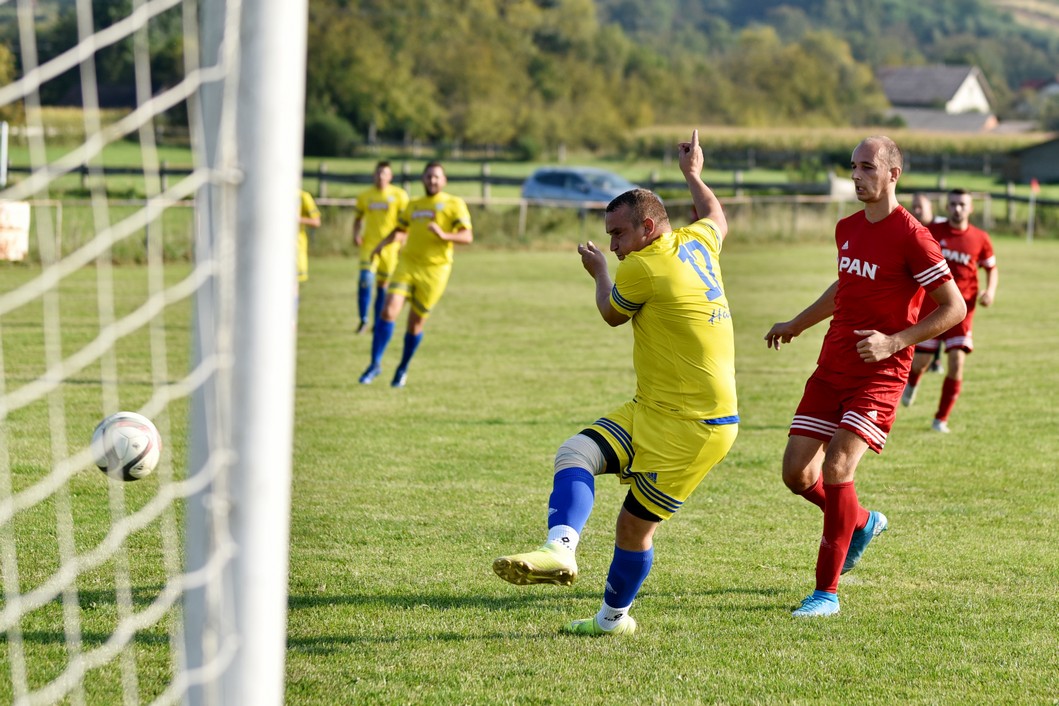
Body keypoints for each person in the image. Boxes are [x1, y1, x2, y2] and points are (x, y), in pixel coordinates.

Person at [492, 130, 739, 636]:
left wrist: (600, 272)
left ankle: (612, 619)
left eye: (618, 235)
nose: (612, 245)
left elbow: (610, 314)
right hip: (654, 406)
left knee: (634, 527)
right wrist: (694, 175)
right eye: (608, 239)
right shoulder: (695, 242)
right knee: (575, 452)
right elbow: (717, 217)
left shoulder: (645, 266)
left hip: (697, 426)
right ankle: (559, 550)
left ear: (648, 228)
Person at [764, 136, 966, 618]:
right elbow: (844, 287)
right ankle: (862, 522)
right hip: (832, 367)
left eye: (868, 167)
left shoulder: (913, 237)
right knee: (797, 473)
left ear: (893, 174)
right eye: (853, 166)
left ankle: (825, 594)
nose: (857, 175)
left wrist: (895, 342)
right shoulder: (847, 228)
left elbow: (953, 307)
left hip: (881, 374)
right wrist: (795, 323)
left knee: (837, 468)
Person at [358, 162, 473, 388]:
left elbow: (467, 236)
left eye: (437, 177)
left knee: (415, 324)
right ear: (422, 179)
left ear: (444, 180)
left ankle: (402, 368)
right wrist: (380, 245)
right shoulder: (413, 205)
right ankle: (375, 364)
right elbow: (400, 230)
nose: (432, 181)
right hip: (408, 263)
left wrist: (444, 235)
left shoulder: (454, 203)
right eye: (429, 176)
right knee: (388, 310)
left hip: (435, 270)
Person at [901, 188, 998, 433]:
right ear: (947, 206)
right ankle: (912, 381)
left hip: (963, 312)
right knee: (920, 361)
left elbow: (991, 268)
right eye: (953, 204)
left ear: (971, 208)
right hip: (932, 308)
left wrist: (990, 291)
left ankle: (940, 419)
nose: (957, 208)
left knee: (956, 362)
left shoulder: (980, 238)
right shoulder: (933, 231)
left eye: (962, 204)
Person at [353, 161, 409, 334]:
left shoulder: (399, 195)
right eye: (378, 173)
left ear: (390, 176)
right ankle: (363, 320)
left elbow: (406, 224)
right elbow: (358, 218)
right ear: (374, 175)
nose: (381, 176)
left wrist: (403, 242)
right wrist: (355, 234)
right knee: (365, 280)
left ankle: (377, 323)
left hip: (390, 247)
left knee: (382, 287)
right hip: (369, 246)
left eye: (385, 173)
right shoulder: (365, 196)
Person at [909, 192, 945, 374]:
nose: (916, 210)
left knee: (942, 314)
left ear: (930, 208)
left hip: (939, 284)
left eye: (920, 207)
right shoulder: (911, 229)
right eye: (913, 206)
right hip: (918, 285)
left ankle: (936, 359)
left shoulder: (941, 227)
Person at [297, 190, 321, 285]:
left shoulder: (303, 196)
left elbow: (316, 222)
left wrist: (297, 219)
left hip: (297, 248)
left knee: (293, 287)